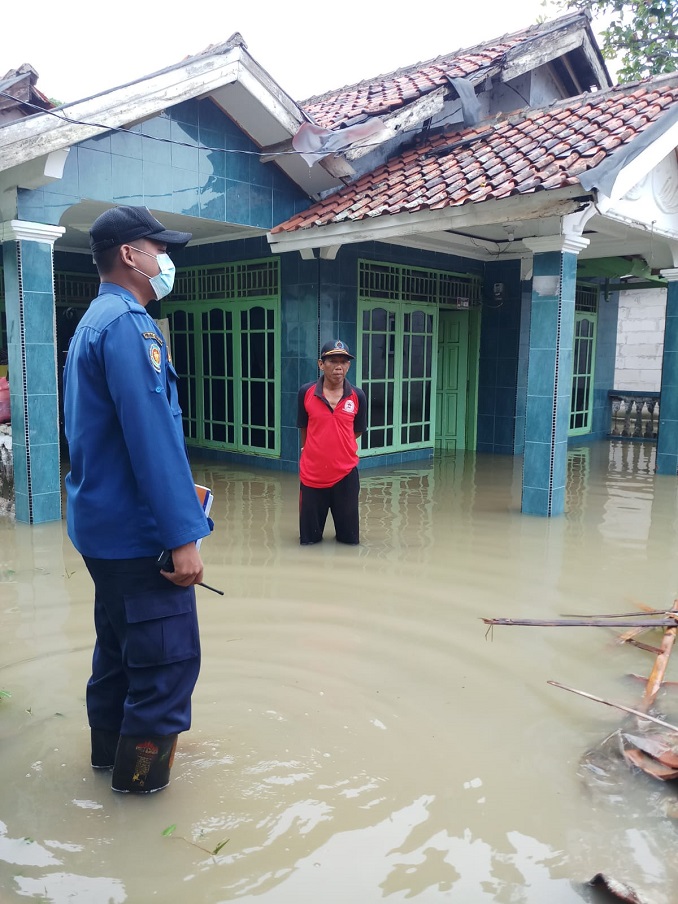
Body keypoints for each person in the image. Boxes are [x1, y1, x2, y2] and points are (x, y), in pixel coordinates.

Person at [62, 205, 211, 794]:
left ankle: (107, 765)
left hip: (103, 531)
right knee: (166, 669)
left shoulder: (92, 322)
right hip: (139, 537)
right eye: (159, 248)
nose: (165, 259)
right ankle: (142, 796)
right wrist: (183, 537)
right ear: (130, 255)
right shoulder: (129, 325)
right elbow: (151, 437)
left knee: (120, 658)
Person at [297, 339, 367, 545]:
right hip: (312, 476)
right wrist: (315, 451)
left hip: (345, 476)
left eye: (344, 362)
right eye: (333, 361)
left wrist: (337, 448)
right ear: (321, 364)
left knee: (349, 541)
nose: (339, 367)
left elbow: (357, 431)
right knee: (309, 541)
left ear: (349, 365)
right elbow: (304, 428)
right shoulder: (306, 393)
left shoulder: (358, 396)